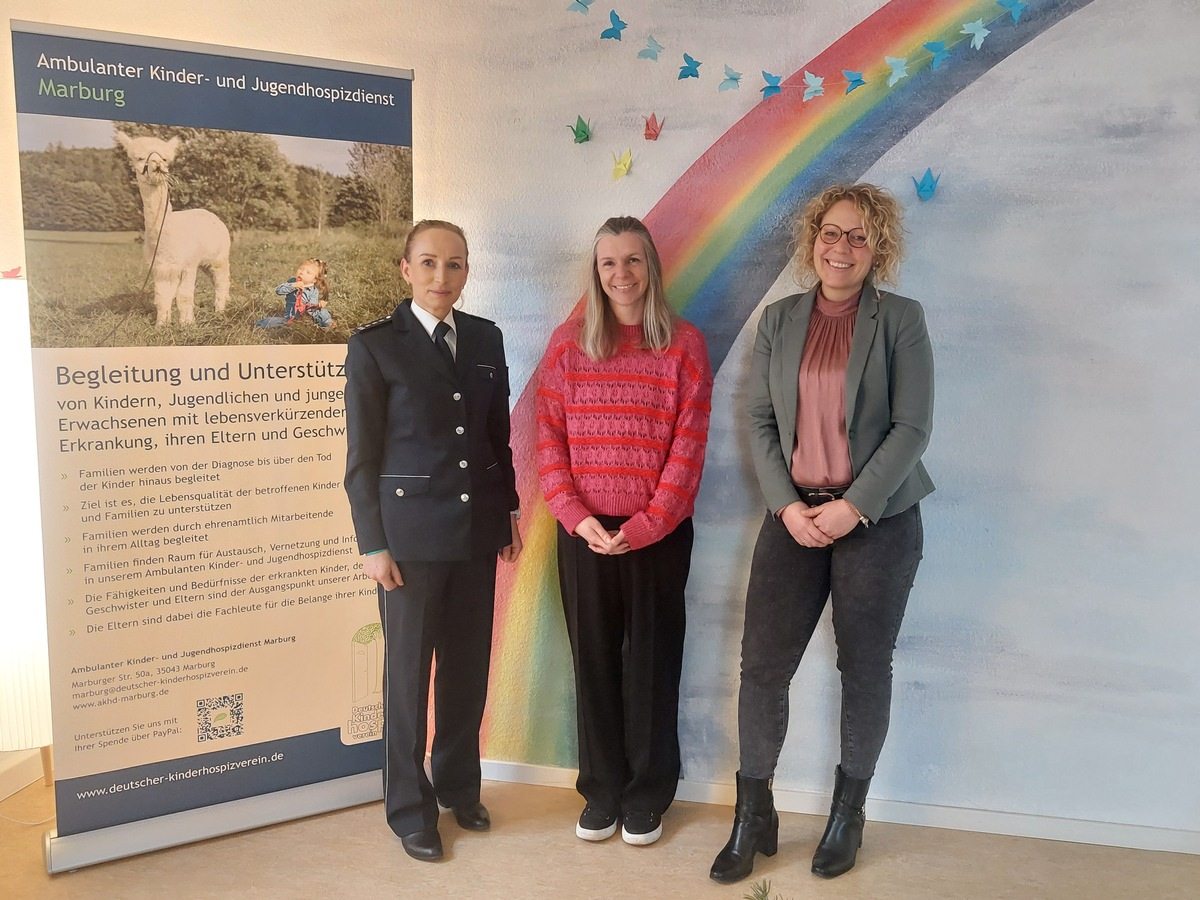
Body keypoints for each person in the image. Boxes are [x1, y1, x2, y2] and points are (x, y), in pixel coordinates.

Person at [710, 183, 934, 883]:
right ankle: (753, 815)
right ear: (813, 242)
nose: (842, 247)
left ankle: (847, 817)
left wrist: (854, 506)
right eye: (832, 233)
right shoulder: (779, 319)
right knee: (761, 669)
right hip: (792, 518)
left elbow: (912, 427)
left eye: (859, 236)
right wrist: (787, 507)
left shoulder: (901, 319)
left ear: (878, 249)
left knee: (863, 668)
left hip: (879, 522)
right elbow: (759, 419)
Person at [343, 220, 522, 862]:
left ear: (467, 270)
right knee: (407, 680)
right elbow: (362, 458)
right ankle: (409, 809)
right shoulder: (374, 347)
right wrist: (372, 544)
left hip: (476, 533)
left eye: (454, 264)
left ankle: (457, 786)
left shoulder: (485, 338)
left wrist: (508, 510)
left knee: (467, 672)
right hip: (408, 542)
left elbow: (496, 436)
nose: (441, 276)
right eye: (428, 263)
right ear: (405, 268)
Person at [536, 216, 713, 847]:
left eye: (632, 260)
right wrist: (575, 516)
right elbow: (547, 439)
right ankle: (602, 791)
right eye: (608, 262)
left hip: (658, 536)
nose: (621, 274)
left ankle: (647, 794)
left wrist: (647, 525)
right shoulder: (567, 345)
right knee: (594, 663)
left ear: (651, 268)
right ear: (596, 271)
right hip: (583, 532)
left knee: (653, 665)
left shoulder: (684, 345)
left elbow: (688, 447)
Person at [257, 257, 336, 329]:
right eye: (301, 268)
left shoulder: (313, 290)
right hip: (291, 318)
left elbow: (311, 309)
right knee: (268, 322)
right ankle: (261, 324)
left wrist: (317, 305)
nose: (302, 272)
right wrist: (293, 286)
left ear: (314, 280)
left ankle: (328, 324)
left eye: (308, 272)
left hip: (306, 316)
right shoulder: (292, 282)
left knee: (321, 311)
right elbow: (279, 291)